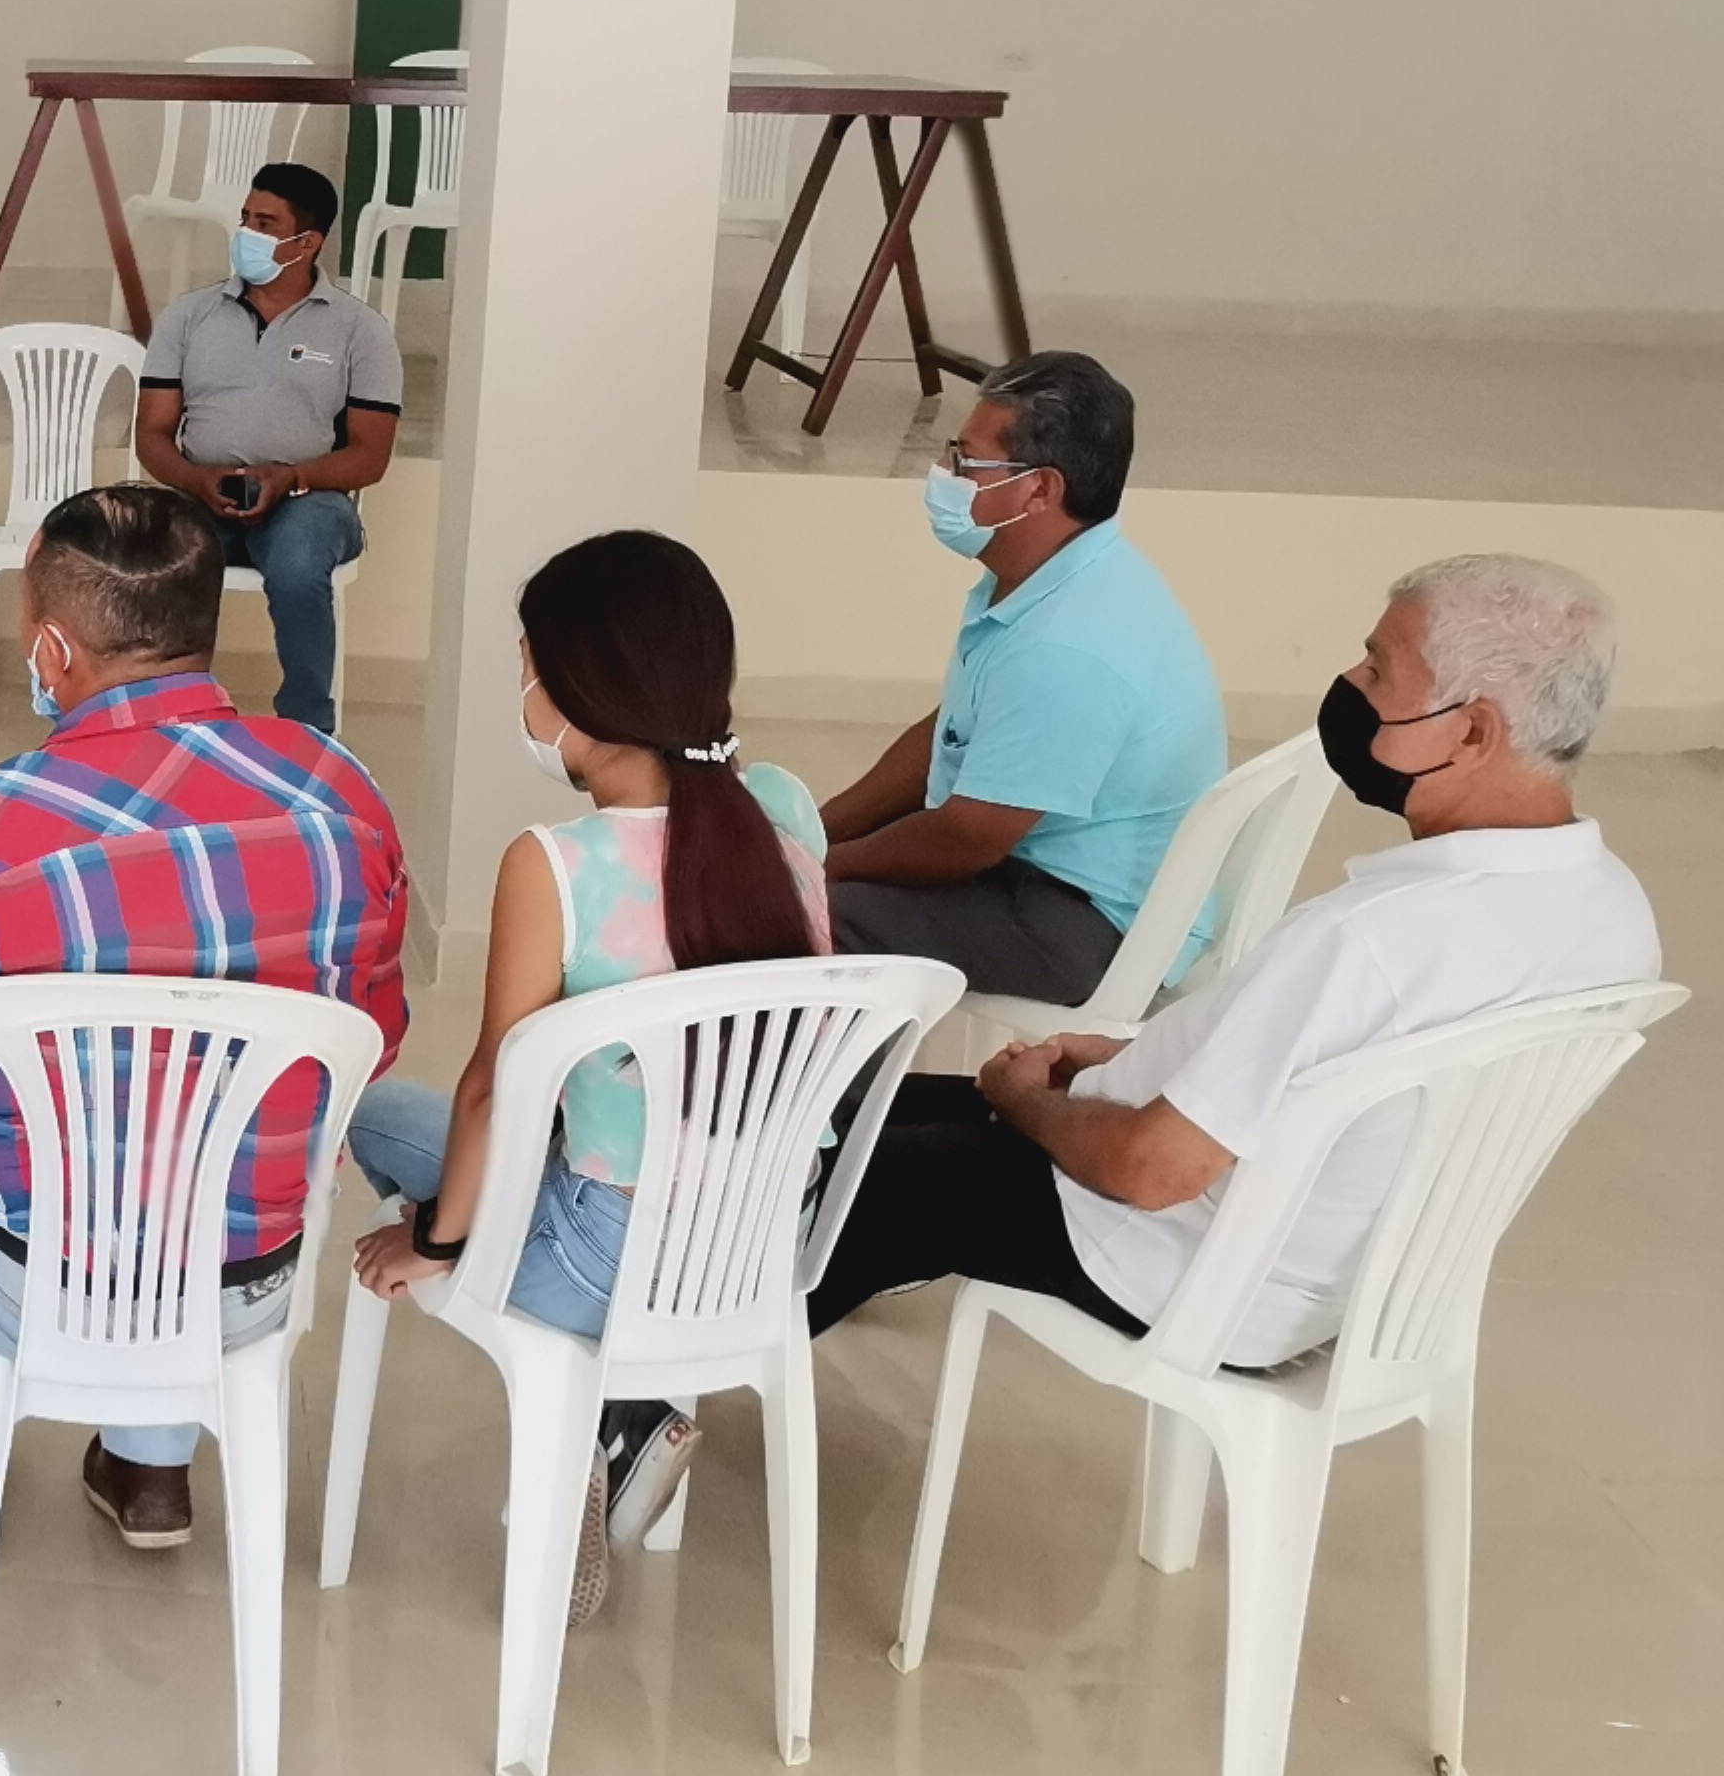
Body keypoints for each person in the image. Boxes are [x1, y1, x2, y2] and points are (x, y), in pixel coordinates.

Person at [811, 556, 1659, 1364]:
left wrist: (1023, 1101)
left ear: (1472, 732)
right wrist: (1136, 1058)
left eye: (1377, 670)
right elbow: (1341, 1078)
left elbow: (1150, 1171)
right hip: (1338, 1283)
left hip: (1184, 1264)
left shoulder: (1365, 937)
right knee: (860, 1117)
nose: (1350, 684)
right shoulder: (1615, 912)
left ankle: (725, 1390)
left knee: (818, 1168)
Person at [0, 485, 409, 1550]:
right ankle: (151, 1466)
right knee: (195, 1132)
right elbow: (373, 1039)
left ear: (51, 648)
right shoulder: (341, 791)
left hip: (33, 1283)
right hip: (250, 1284)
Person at [343, 530, 829, 1619]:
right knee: (551, 1136)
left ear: (579, 693)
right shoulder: (787, 808)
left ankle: (585, 1444)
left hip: (604, 1256)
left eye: (528, 670)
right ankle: (632, 1413)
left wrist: (434, 1244)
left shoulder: (556, 865)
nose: (524, 695)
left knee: (380, 1119)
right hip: (765, 1241)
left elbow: (489, 1092)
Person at [819, 351, 1224, 1001]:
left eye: (966, 463)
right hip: (1044, 864)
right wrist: (816, 831)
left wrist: (816, 869)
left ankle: (807, 1072)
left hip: (1085, 922)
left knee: (813, 918)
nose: (945, 475)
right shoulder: (1055, 573)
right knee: (823, 877)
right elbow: (954, 732)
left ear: (1039, 489)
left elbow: (969, 838)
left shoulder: (1068, 644)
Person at [132, 161, 404, 731]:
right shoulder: (189, 316)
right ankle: (165, 719)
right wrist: (194, 478)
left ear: (308, 242)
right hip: (201, 491)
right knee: (150, 555)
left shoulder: (361, 330)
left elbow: (370, 456)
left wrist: (291, 478)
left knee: (300, 564)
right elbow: (152, 435)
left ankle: (306, 730)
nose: (246, 235)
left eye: (265, 223)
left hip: (308, 499)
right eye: (245, 219)